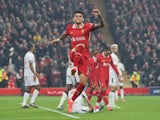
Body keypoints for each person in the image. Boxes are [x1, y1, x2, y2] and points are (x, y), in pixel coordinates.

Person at [51, 9, 105, 113]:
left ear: (83, 18)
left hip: (85, 59)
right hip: (74, 55)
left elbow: (102, 25)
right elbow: (65, 34)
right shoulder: (70, 28)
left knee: (83, 83)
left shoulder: (87, 27)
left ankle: (72, 100)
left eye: (80, 16)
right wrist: (58, 39)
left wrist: (100, 16)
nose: (78, 17)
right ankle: (74, 66)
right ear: (73, 18)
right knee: (78, 48)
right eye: (76, 16)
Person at [22, 43, 40, 108]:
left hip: (26, 74)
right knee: (38, 87)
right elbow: (30, 65)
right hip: (30, 74)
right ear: (32, 47)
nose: (34, 48)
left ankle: (24, 103)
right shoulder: (31, 55)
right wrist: (35, 74)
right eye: (34, 47)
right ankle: (32, 102)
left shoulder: (26, 55)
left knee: (28, 89)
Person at [108, 44, 122, 109]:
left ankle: (112, 104)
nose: (117, 49)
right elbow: (115, 66)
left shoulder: (114, 56)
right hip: (112, 74)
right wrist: (118, 74)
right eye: (116, 48)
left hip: (113, 74)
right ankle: (111, 104)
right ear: (112, 49)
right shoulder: (113, 56)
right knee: (113, 88)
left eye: (117, 48)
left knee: (115, 88)